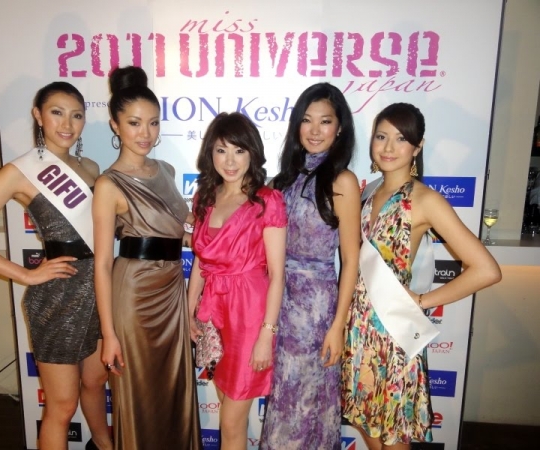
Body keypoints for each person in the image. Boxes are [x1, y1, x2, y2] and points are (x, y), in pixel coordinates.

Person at [0, 82, 112, 450]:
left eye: (76, 115)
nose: (67, 124)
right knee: (62, 405)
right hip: (57, 299)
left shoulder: (90, 167)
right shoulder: (19, 172)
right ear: (38, 116)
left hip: (98, 292)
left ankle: (105, 446)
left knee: (95, 383)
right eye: (56, 112)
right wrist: (25, 274)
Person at [341, 102, 502, 450]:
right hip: (359, 331)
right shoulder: (368, 192)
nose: (388, 147)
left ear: (417, 147)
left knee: (393, 439)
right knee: (369, 430)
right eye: (381, 137)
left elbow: (487, 270)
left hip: (395, 332)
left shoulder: (425, 200)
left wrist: (424, 300)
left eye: (401, 139)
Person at [92, 66, 201, 450]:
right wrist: (109, 334)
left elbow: (181, 229)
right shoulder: (108, 184)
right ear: (115, 124)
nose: (146, 133)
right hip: (134, 295)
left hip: (171, 290)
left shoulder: (167, 170)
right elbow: (102, 264)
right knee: (138, 389)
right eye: (135, 123)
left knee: (172, 387)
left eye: (153, 123)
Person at [259, 82, 361, 449]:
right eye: (307, 120)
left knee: (307, 405)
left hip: (316, 312)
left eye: (325, 121)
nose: (315, 130)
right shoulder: (280, 181)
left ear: (339, 128)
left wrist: (337, 326)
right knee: (282, 402)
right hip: (276, 305)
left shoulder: (342, 181)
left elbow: (350, 260)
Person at [187, 112, 287, 450]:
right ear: (210, 153)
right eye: (221, 150)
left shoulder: (267, 200)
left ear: (252, 153)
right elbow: (201, 260)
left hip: (249, 314)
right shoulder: (205, 198)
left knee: (231, 421)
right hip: (214, 312)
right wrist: (189, 310)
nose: (230, 161)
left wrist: (266, 335)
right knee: (225, 409)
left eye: (239, 151)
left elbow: (277, 275)